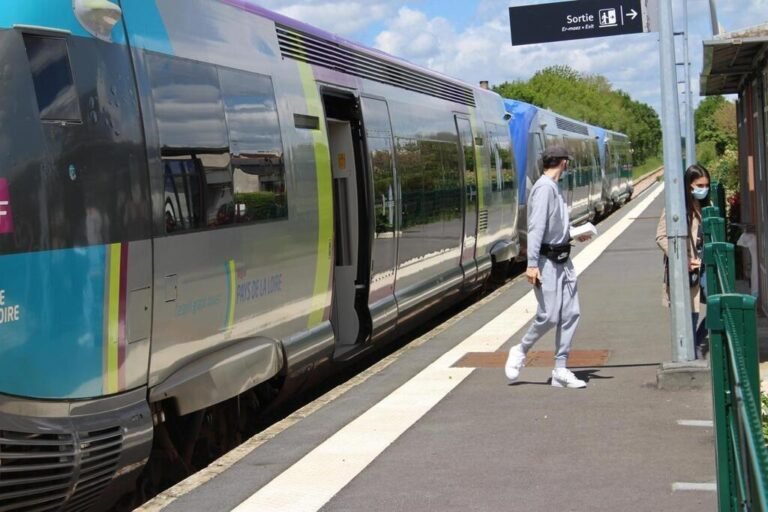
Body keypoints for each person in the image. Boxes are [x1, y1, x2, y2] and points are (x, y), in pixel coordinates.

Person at [504, 145, 592, 389]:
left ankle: (560, 370)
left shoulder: (554, 188)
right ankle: (520, 350)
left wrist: (573, 234)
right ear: (564, 163)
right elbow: (536, 228)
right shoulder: (544, 189)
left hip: (563, 260)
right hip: (546, 262)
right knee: (550, 314)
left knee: (571, 313)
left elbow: (554, 227)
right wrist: (532, 264)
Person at [655, 163, 711, 359]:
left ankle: (695, 342)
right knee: (691, 312)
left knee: (717, 305)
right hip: (688, 269)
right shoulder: (676, 208)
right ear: (689, 186)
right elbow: (661, 236)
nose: (703, 189)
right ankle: (691, 351)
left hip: (705, 266)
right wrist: (682, 260)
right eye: (699, 185)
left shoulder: (707, 207)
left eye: (706, 185)